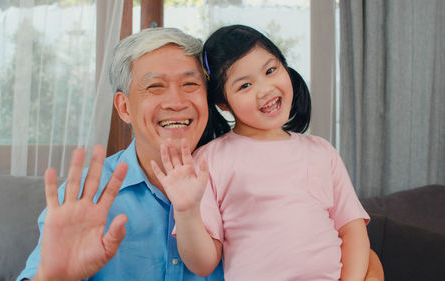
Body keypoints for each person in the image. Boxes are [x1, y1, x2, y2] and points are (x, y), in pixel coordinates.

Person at [17, 27, 384, 281]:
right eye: (155, 87)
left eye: (190, 85)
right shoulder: (85, 198)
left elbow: (352, 249)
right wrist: (54, 276)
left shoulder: (262, 166)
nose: (176, 102)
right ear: (124, 107)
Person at [151, 25, 371, 281]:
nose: (265, 89)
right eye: (245, 85)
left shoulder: (321, 151)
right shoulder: (210, 160)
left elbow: (352, 229)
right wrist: (187, 212)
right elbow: (203, 264)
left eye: (270, 70)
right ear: (223, 103)